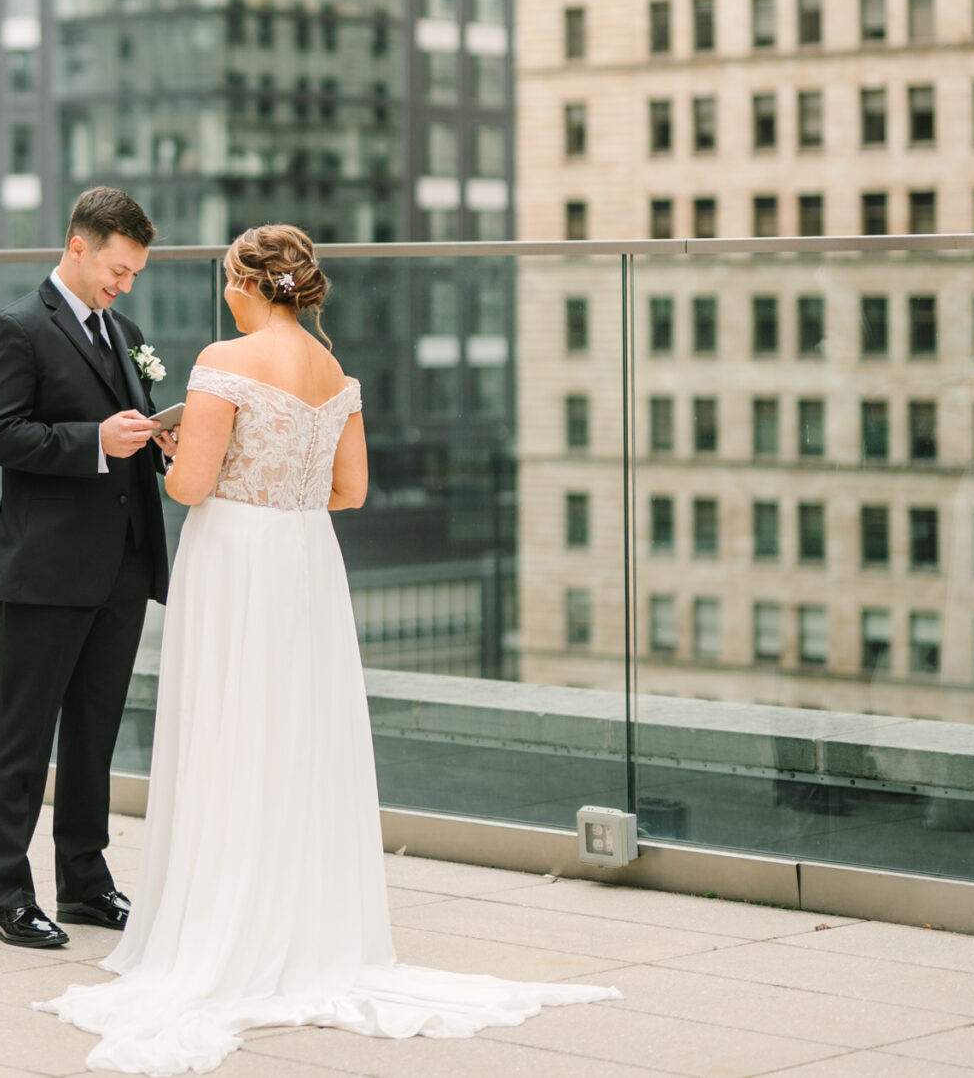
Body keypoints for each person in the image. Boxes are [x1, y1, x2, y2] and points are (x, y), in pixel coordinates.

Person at [40, 225, 619, 1074]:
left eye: (227, 280)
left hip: (235, 555)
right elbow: (350, 489)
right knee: (297, 734)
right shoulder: (335, 374)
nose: (224, 293)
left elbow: (191, 485)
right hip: (307, 556)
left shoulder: (222, 356)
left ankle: (224, 924)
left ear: (247, 281)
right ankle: (300, 922)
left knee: (230, 728)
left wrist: (175, 450)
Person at [0, 186, 179, 950]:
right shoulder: (16, 327)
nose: (125, 285)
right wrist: (95, 440)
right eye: (118, 269)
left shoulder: (124, 330)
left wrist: (160, 443)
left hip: (121, 565)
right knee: (21, 736)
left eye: (134, 274)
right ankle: (5, 894)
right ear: (78, 245)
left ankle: (86, 882)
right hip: (45, 569)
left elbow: (129, 430)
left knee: (94, 733)